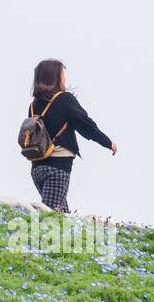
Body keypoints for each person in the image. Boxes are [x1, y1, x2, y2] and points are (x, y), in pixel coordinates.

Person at [25, 59, 116, 213]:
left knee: (62, 214)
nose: (65, 78)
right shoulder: (65, 99)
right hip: (57, 167)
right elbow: (85, 124)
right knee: (50, 214)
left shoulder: (34, 105)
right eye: (62, 75)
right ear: (55, 78)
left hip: (37, 168)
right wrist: (107, 142)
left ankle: (68, 235)